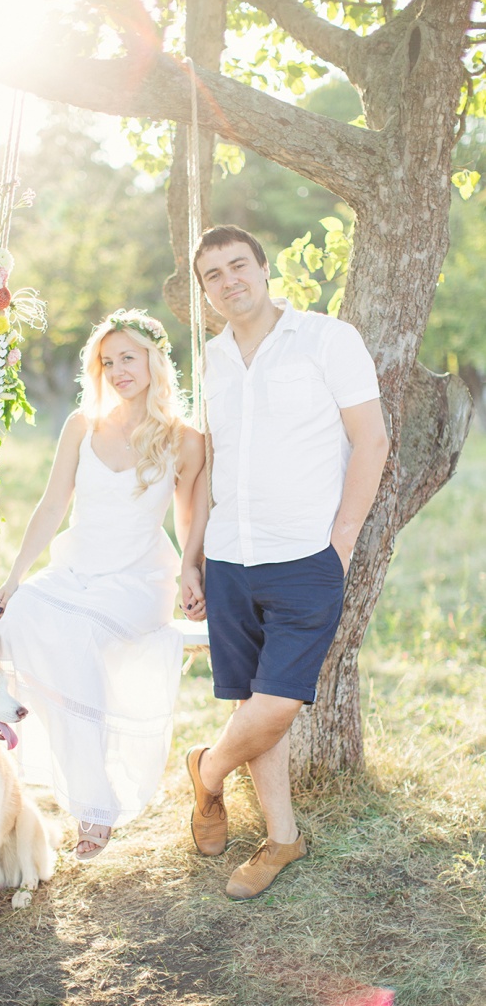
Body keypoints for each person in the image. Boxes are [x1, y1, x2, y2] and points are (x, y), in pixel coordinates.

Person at [180, 224, 389, 900]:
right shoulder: (210, 359)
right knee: (252, 700)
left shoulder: (327, 339)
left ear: (264, 268)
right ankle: (281, 838)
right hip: (228, 557)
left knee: (277, 703)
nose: (228, 281)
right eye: (213, 275)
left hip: (305, 555)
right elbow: (210, 463)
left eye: (237, 265)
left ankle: (207, 773)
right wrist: (191, 558)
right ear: (205, 291)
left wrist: (342, 542)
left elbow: (372, 440)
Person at [0, 309, 205, 860]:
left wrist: (191, 571)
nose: (118, 370)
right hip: (75, 571)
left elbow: (189, 518)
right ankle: (83, 777)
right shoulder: (82, 426)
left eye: (129, 357)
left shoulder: (184, 439)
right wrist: (15, 577)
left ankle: (94, 805)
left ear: (155, 360)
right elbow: (52, 505)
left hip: (137, 580)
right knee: (24, 616)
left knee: (76, 635)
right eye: (108, 362)